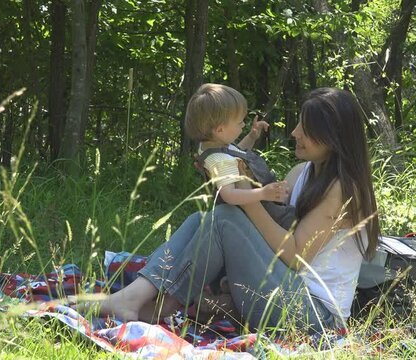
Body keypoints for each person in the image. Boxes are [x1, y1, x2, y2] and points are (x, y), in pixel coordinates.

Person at [76, 87, 380, 334]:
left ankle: (155, 303)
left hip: (312, 315)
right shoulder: (303, 173)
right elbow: (269, 233)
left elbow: (295, 256)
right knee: (202, 218)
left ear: (333, 136)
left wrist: (247, 199)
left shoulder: (342, 189)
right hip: (281, 289)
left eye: (306, 127)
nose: (294, 132)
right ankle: (142, 299)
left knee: (224, 220)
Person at [186, 83, 293, 228]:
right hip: (257, 215)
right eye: (239, 122)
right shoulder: (219, 161)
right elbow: (229, 195)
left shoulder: (215, 145)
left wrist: (252, 136)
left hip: (265, 204)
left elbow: (236, 154)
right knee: (298, 220)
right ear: (220, 130)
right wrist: (262, 193)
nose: (243, 125)